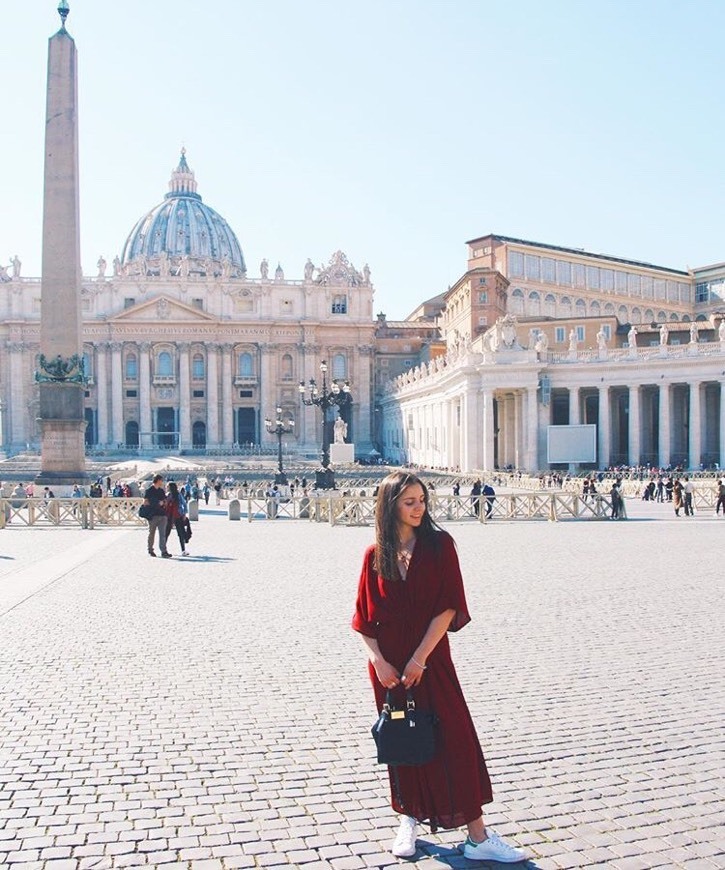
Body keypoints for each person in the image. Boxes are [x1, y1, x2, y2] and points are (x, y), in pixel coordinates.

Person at [352, 472, 525, 863]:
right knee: (402, 743)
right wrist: (379, 662)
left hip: (430, 660)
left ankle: (478, 836)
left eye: (421, 500)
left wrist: (419, 659)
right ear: (390, 504)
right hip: (389, 667)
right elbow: (362, 619)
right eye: (409, 501)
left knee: (456, 739)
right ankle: (408, 821)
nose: (419, 508)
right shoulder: (374, 554)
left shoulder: (440, 544)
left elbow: (448, 607)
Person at [143, 474, 172, 557]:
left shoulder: (161, 491)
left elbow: (165, 500)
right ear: (158, 481)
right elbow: (145, 502)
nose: (162, 482)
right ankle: (150, 549)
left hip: (162, 515)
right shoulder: (149, 491)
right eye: (161, 480)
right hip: (153, 515)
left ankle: (164, 551)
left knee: (162, 534)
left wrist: (164, 502)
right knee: (152, 533)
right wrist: (156, 502)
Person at [164, 481, 189, 556]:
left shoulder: (177, 495)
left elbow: (184, 504)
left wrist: (184, 514)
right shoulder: (168, 495)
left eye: (167, 486)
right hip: (172, 515)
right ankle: (164, 549)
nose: (166, 487)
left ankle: (183, 550)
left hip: (175, 515)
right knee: (167, 533)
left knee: (180, 533)